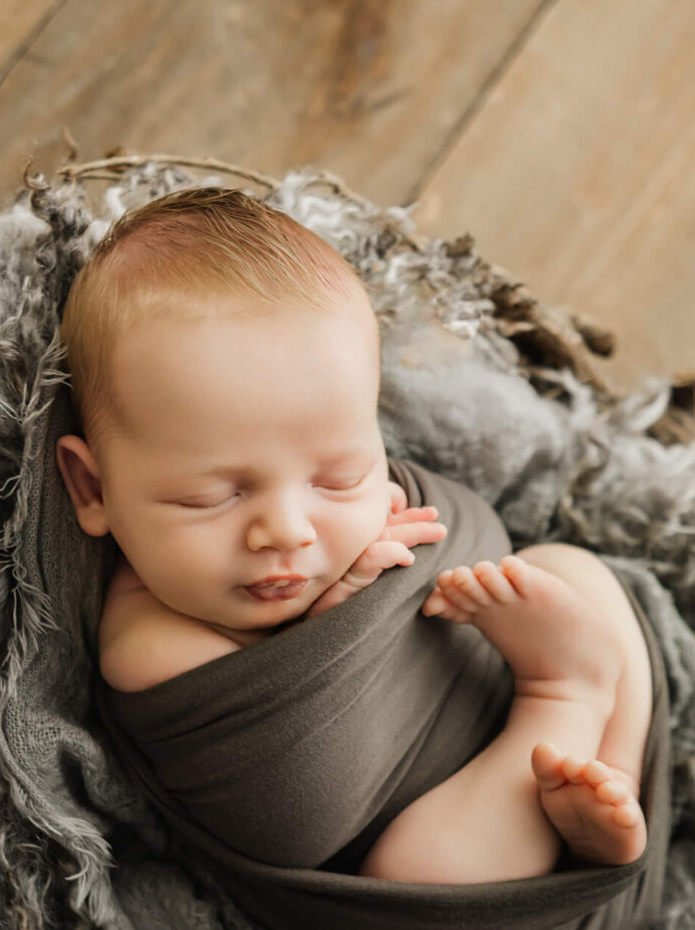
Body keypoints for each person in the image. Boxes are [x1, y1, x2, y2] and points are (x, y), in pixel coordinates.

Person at [52, 186, 654, 884]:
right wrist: (336, 617)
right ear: (93, 489)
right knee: (419, 864)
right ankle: (568, 696)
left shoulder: (360, 498)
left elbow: (457, 536)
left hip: (477, 691)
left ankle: (616, 774)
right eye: (210, 495)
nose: (286, 530)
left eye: (338, 477)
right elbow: (294, 809)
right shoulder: (145, 642)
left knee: (570, 569)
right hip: (435, 828)